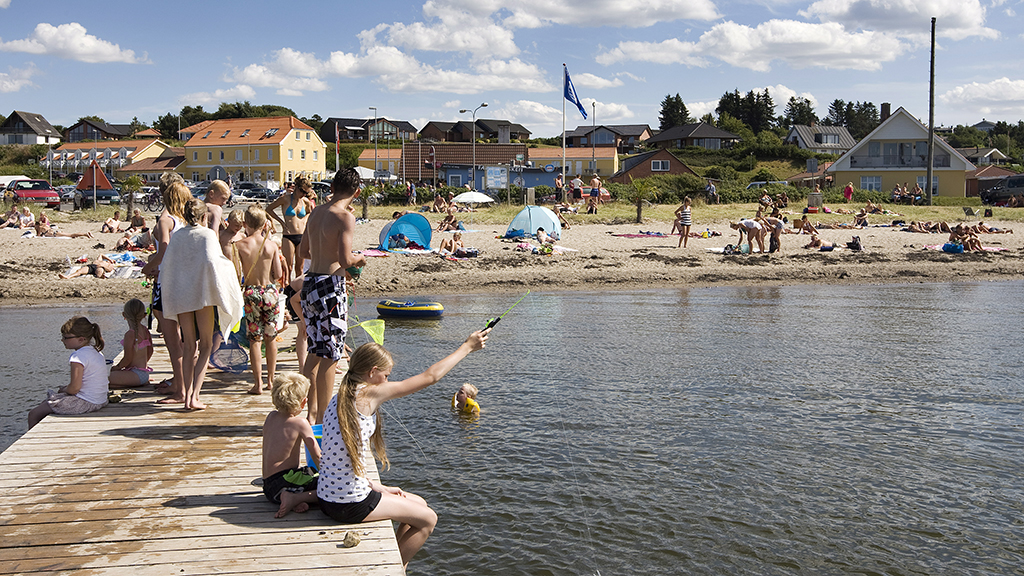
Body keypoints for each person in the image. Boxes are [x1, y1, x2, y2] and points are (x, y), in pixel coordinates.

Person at [317, 329, 489, 568]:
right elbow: (430, 377)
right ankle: (395, 568)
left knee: (418, 504)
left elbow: (342, 455)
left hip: (329, 496)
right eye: (386, 375)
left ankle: (395, 559)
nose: (388, 381)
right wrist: (467, 347)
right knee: (429, 519)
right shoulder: (368, 394)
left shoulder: (341, 395)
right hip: (347, 504)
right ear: (372, 372)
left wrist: (377, 486)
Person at [298, 168, 367, 424]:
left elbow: (304, 251)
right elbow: (346, 260)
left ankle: (306, 409)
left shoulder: (315, 212)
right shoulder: (345, 217)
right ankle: (327, 417)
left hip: (311, 285)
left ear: (333, 186)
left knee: (315, 350)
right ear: (356, 192)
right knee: (331, 355)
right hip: (330, 287)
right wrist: (362, 258)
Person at [161, 198, 244, 410]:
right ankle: (194, 396)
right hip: (203, 295)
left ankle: (186, 394)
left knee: (189, 345)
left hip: (182, 294)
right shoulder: (207, 234)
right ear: (204, 217)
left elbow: (169, 266)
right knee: (205, 344)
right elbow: (213, 262)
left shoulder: (178, 236)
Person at [141, 174, 191, 403]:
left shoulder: (165, 220)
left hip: (167, 283)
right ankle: (181, 384)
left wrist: (148, 267)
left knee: (172, 339)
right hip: (183, 281)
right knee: (183, 339)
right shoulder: (184, 220)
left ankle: (180, 390)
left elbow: (164, 250)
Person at [234, 205, 284, 395]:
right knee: (271, 338)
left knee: (255, 340)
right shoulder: (271, 245)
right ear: (265, 224)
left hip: (251, 293)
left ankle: (258, 384)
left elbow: (237, 273)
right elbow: (278, 274)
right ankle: (271, 380)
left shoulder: (240, 245)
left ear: (245, 224)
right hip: (269, 292)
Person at [28, 317, 107, 429]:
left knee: (33, 414)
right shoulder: (96, 352)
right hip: (100, 400)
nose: (62, 340)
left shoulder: (77, 357)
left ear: (81, 339)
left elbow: (74, 388)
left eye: (66, 337)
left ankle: (32, 443)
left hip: (86, 403)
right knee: (47, 403)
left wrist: (64, 389)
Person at [262, 372, 321, 518]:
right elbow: (317, 455)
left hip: (269, 486)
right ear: (303, 402)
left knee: (310, 471)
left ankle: (294, 499)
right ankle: (294, 498)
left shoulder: (271, 417)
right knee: (329, 487)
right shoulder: (300, 423)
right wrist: (331, 477)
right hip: (283, 484)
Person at [268, 176, 315, 281]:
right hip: (288, 235)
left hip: (301, 235)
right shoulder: (285, 199)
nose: (303, 194)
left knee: (300, 268)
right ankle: (287, 290)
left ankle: (297, 291)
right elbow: (269, 209)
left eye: (306, 193)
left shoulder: (305, 201)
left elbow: (311, 213)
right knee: (288, 267)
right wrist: (281, 222)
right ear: (296, 187)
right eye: (302, 191)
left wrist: (304, 219)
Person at [109, 298, 154, 389]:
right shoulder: (145, 330)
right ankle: (140, 382)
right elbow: (151, 351)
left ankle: (136, 382)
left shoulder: (130, 334)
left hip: (135, 374)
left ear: (124, 315)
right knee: (107, 384)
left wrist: (117, 367)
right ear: (144, 315)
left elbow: (127, 358)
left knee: (103, 378)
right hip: (143, 373)